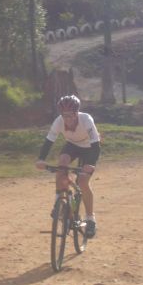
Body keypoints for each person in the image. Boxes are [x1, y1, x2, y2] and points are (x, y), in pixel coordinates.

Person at [35, 94, 101, 238]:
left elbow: (96, 145)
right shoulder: (58, 122)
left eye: (70, 115)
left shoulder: (86, 120)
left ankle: (90, 219)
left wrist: (90, 164)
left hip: (89, 148)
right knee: (61, 164)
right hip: (72, 145)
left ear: (77, 113)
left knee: (83, 181)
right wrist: (41, 159)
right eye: (64, 115)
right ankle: (59, 203)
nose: (67, 119)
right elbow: (48, 142)